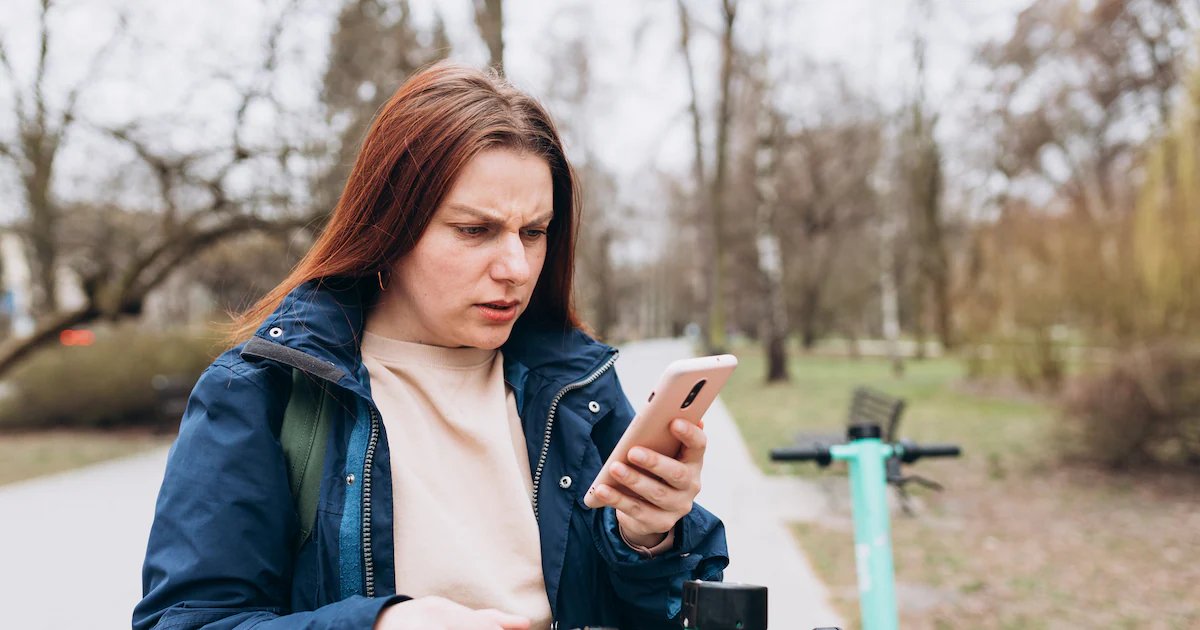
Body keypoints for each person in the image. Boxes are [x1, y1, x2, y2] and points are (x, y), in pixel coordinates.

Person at [133, 61, 728, 630]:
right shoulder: (262, 393)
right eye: (476, 230)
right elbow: (188, 619)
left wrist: (648, 538)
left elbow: (659, 610)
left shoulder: (576, 388)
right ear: (388, 225)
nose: (517, 267)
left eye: (535, 232)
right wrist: (381, 623)